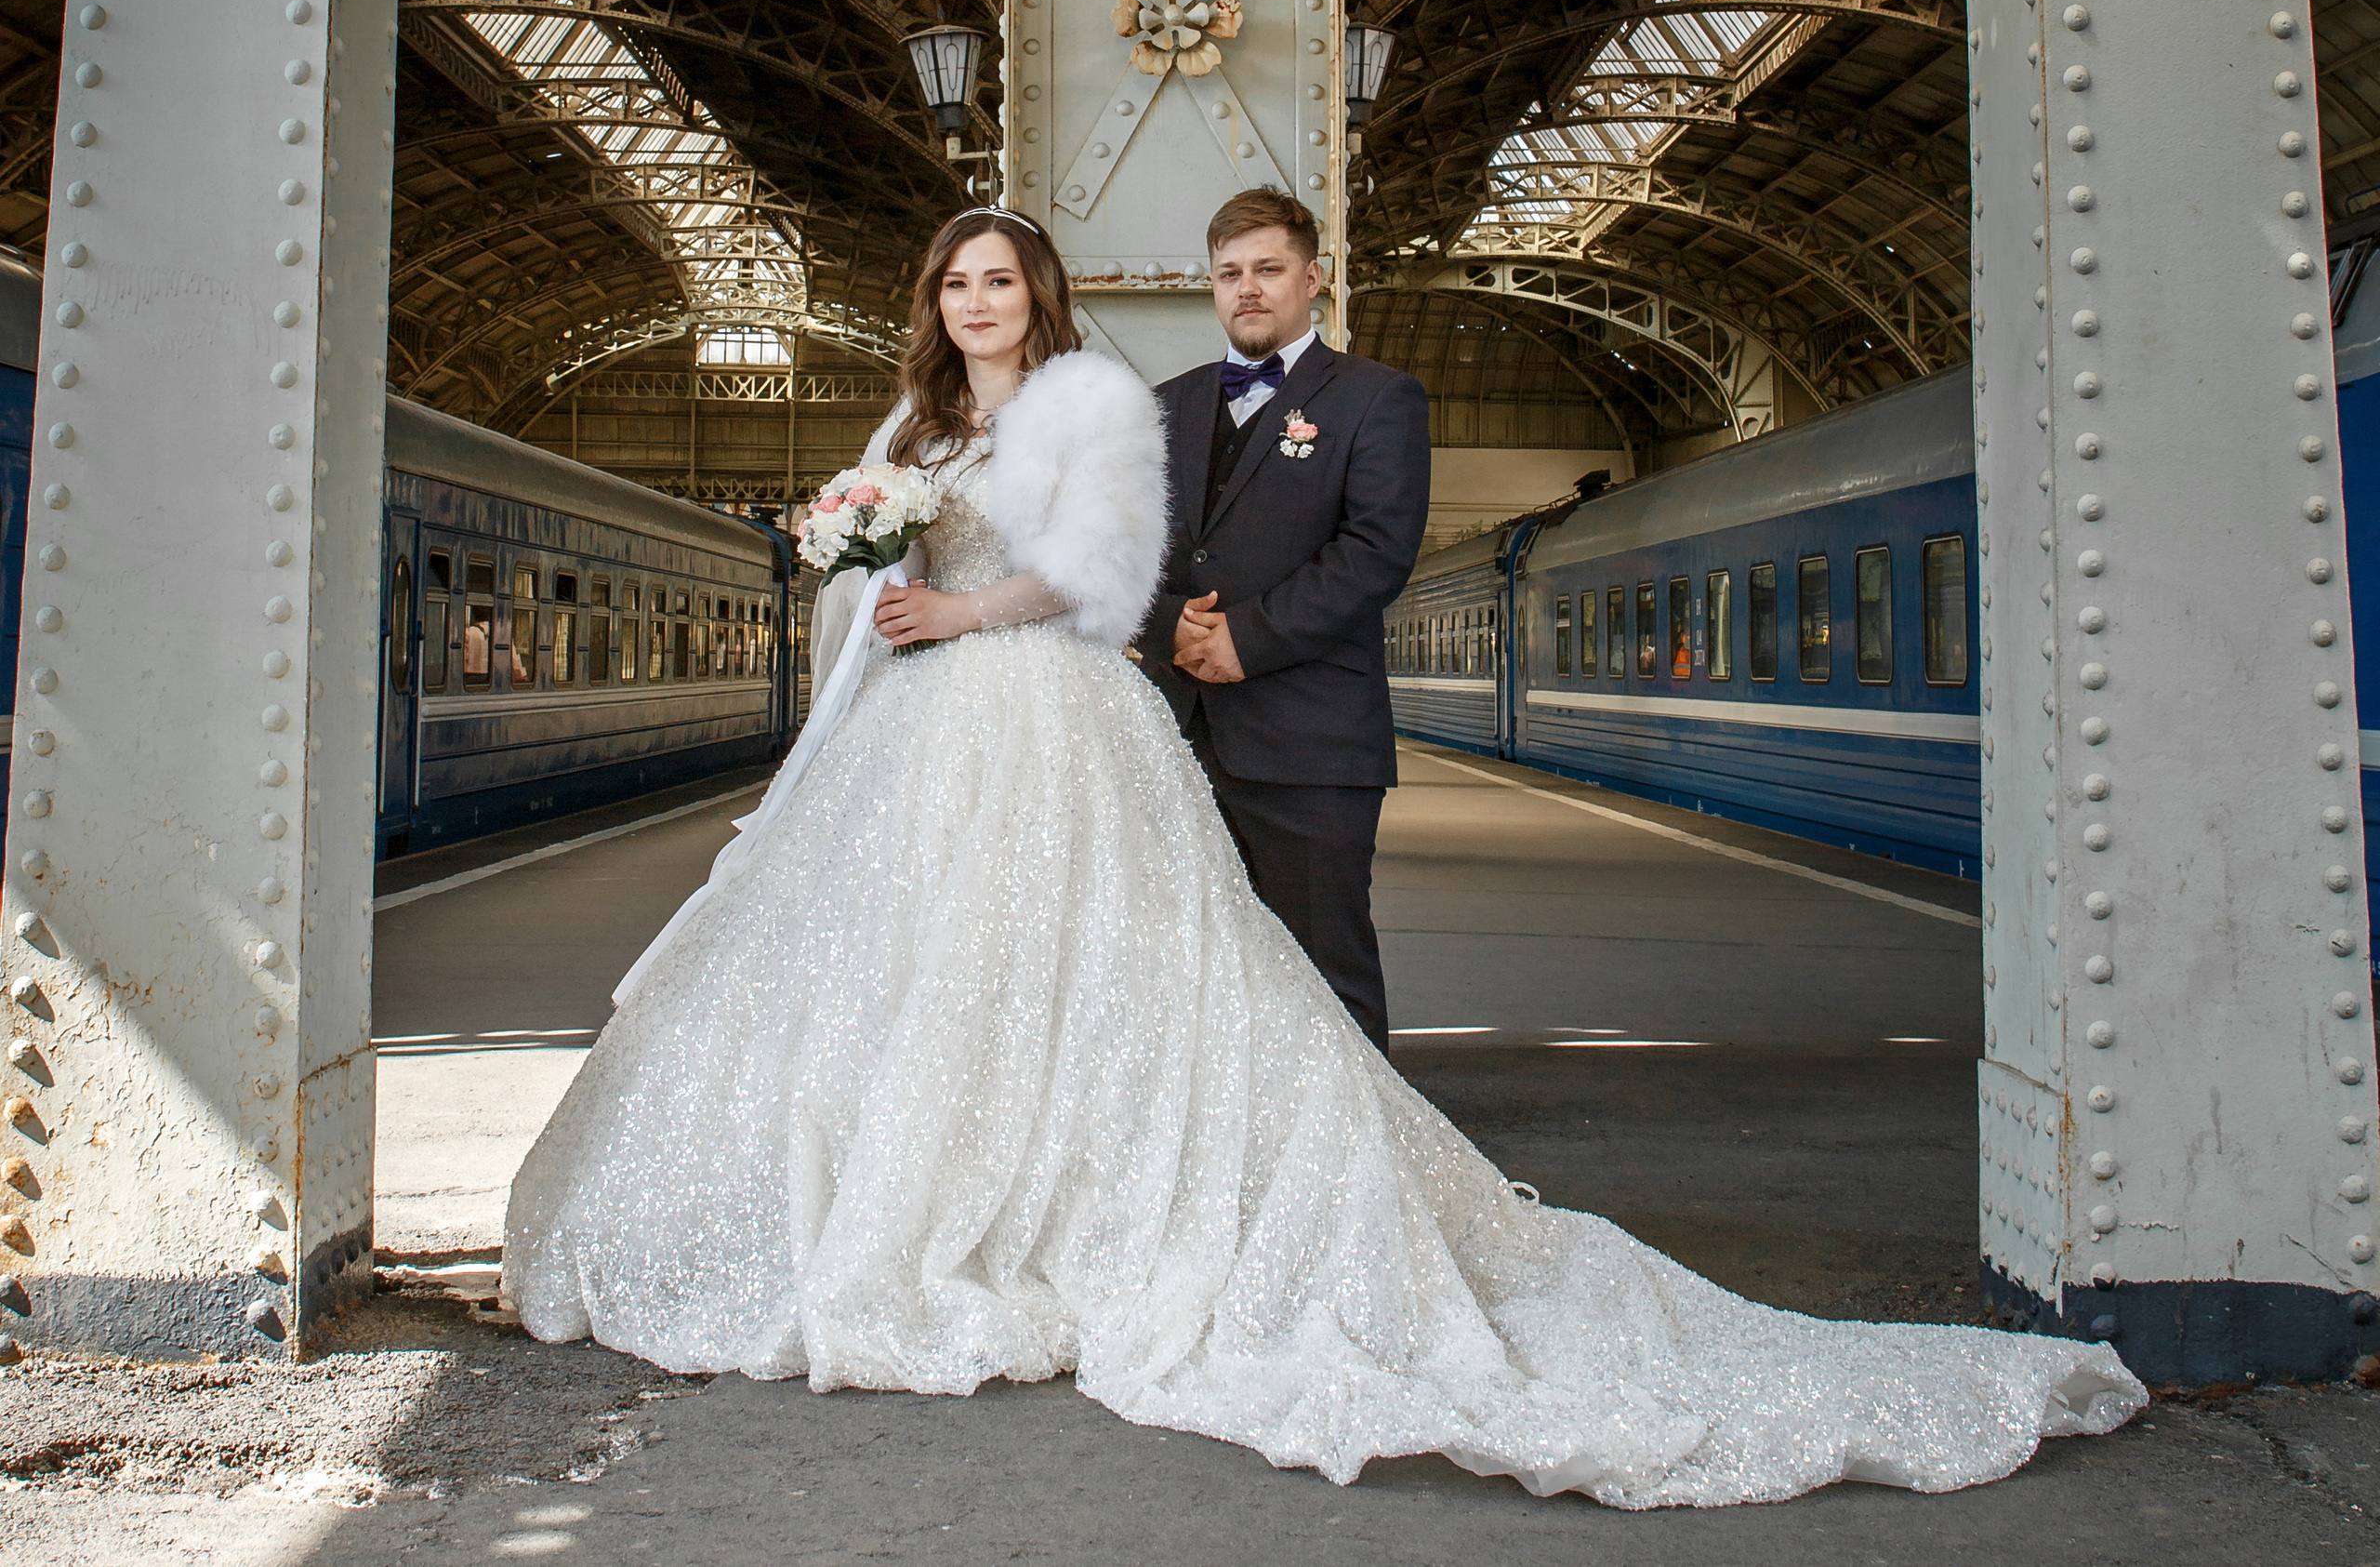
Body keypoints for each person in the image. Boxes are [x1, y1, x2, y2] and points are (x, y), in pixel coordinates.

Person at [503, 205, 2142, 1504]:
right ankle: (935, 1212)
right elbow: (909, 561)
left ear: (1041, 295)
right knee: (934, 975)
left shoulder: (1091, 406)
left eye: (999, 279)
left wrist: (960, 603)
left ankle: (1139, 1220)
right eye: (956, 283)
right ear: (934, 303)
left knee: (1134, 972)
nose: (976, 302)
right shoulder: (918, 425)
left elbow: (1104, 567)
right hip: (928, 732)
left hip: (1045, 710)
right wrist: (867, 563)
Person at [1138, 188, 1427, 1048]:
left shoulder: (1378, 398)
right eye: (1229, 273)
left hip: (1312, 744)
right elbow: (1119, 549)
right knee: (1185, 973)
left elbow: (1376, 551)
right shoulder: (1164, 407)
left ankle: (1356, 1135)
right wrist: (1167, 625)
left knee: (1324, 970)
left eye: (1268, 269)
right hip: (1173, 734)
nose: (1247, 288)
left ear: (1314, 278)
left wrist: (1247, 640)